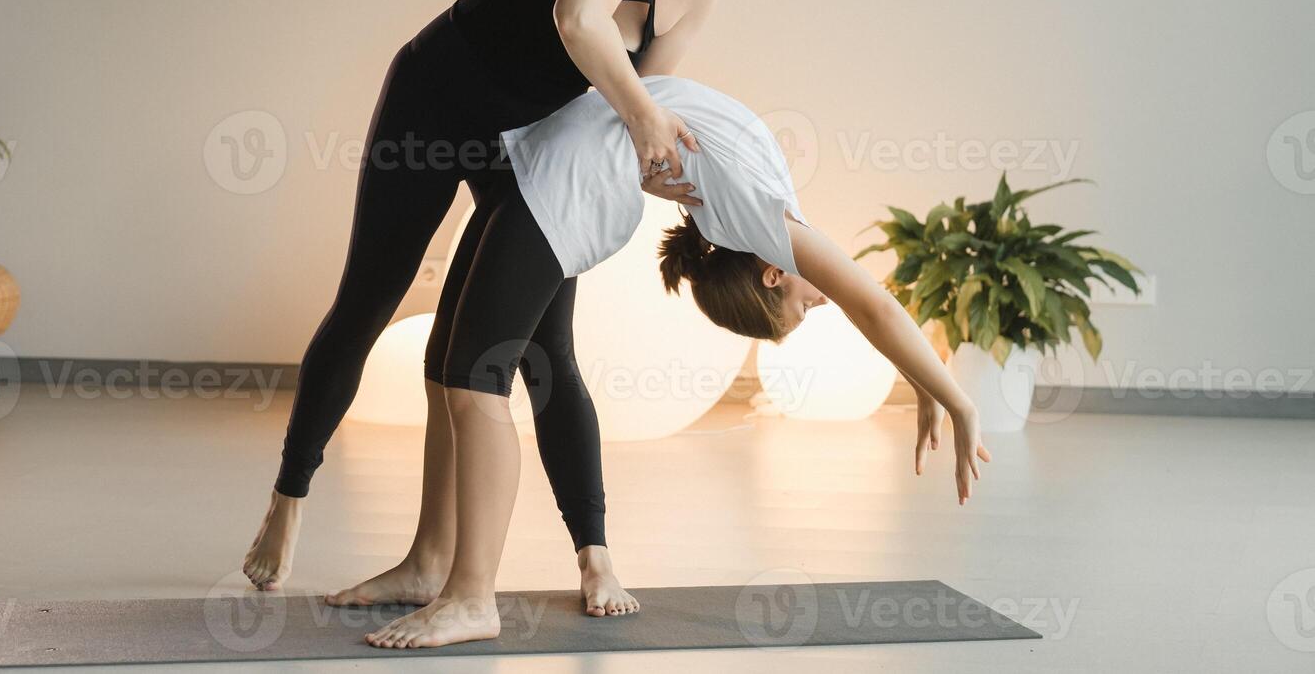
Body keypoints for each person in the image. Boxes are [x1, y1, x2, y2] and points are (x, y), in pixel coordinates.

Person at [242, 0, 792, 618]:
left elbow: (643, 116)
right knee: (370, 299)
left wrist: (684, 182)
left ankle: (587, 557)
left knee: (542, 347)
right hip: (434, 106)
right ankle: (287, 500)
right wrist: (641, 117)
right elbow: (579, 21)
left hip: (527, 148)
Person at [359, 74, 993, 649]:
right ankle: (455, 583)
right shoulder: (766, 220)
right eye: (808, 309)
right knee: (464, 372)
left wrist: (923, 380)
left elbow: (869, 308)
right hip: (557, 175)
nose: (823, 298)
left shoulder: (754, 217)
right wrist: (955, 397)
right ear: (774, 275)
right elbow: (875, 306)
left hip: (560, 174)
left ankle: (459, 579)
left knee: (475, 373)